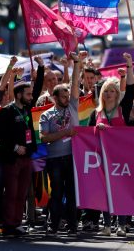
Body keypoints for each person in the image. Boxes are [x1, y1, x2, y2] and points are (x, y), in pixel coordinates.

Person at [0, 53, 45, 236]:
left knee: (22, 194)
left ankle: (16, 223)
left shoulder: (27, 109)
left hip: (27, 158)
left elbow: (38, 89)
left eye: (31, 94)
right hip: (12, 159)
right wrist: (15, 147)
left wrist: (40, 68)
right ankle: (8, 224)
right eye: (28, 94)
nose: (31, 97)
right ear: (18, 95)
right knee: (12, 193)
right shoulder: (6, 112)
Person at [89, 54, 134, 237]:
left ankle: (122, 225)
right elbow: (88, 134)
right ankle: (107, 225)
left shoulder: (122, 108)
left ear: (117, 94)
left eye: (112, 91)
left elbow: (130, 90)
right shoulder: (96, 112)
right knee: (105, 192)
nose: (109, 93)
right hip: (102, 156)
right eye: (106, 91)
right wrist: (97, 128)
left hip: (120, 156)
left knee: (120, 191)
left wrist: (129, 68)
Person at [40, 52, 84, 235]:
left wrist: (76, 63)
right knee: (56, 193)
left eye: (68, 96)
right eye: (64, 96)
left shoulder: (73, 106)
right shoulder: (46, 115)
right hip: (55, 159)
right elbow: (44, 137)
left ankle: (73, 225)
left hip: (72, 157)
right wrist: (65, 132)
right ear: (55, 97)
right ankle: (54, 225)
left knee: (72, 194)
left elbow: (74, 84)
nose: (68, 98)